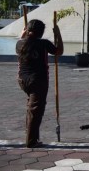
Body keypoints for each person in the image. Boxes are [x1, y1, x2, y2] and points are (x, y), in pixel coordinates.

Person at [16, 19, 63, 148]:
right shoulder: (43, 44)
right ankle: (31, 140)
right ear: (41, 32)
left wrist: (22, 35)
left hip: (22, 80)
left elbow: (23, 44)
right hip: (38, 80)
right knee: (36, 109)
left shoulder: (20, 43)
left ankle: (33, 137)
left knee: (31, 108)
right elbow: (59, 51)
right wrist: (58, 34)